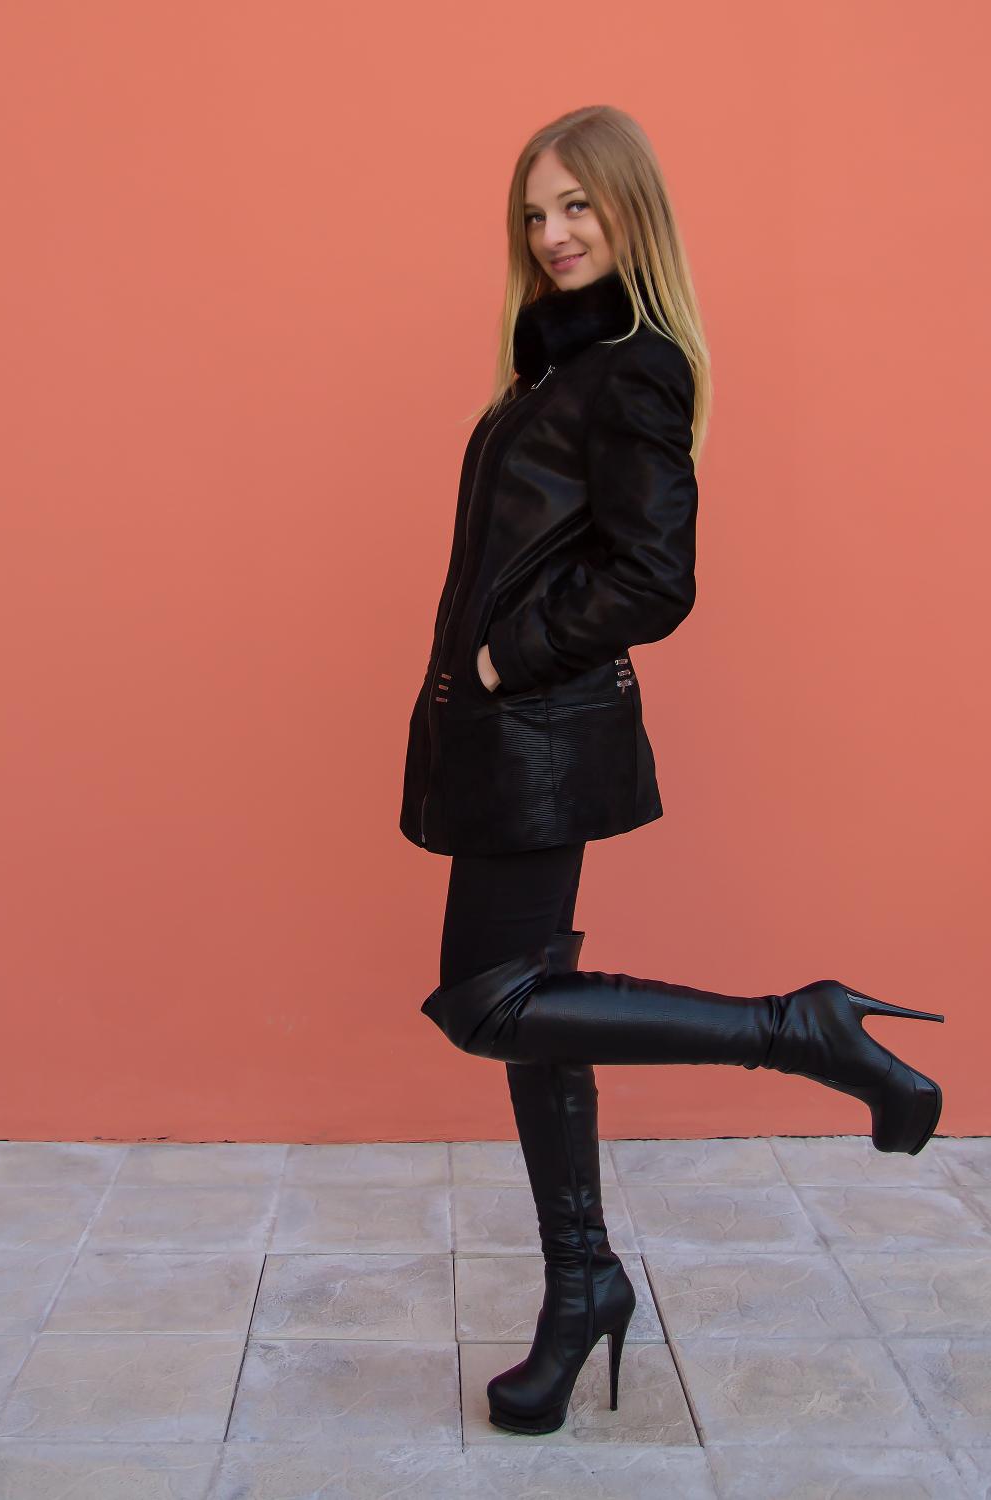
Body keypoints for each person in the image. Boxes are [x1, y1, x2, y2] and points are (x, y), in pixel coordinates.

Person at [398, 104, 946, 1438]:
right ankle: (581, 1283)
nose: (554, 234)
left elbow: (655, 576)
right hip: (510, 733)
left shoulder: (634, 369)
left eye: (579, 204)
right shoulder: (550, 368)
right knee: (534, 1000)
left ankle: (793, 1031)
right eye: (535, 213)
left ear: (632, 209)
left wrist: (504, 662)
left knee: (491, 999)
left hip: (535, 727)